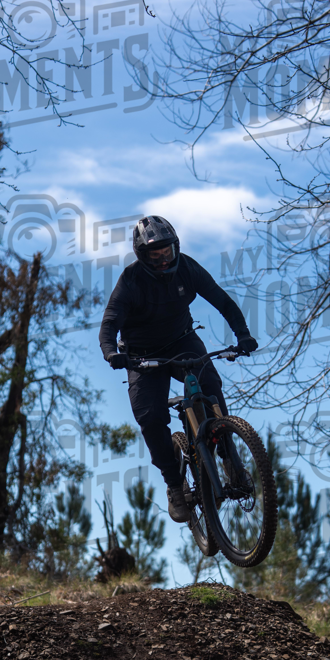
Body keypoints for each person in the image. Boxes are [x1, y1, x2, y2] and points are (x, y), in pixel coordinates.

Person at [99, 215, 258, 522]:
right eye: (154, 256)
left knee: (210, 385)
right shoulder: (130, 280)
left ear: (176, 248)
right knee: (151, 417)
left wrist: (243, 334)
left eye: (166, 253)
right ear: (142, 257)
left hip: (182, 340)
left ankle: (229, 458)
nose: (162, 260)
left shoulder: (187, 267)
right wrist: (110, 352)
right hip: (142, 357)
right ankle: (174, 485)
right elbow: (109, 324)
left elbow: (222, 301)